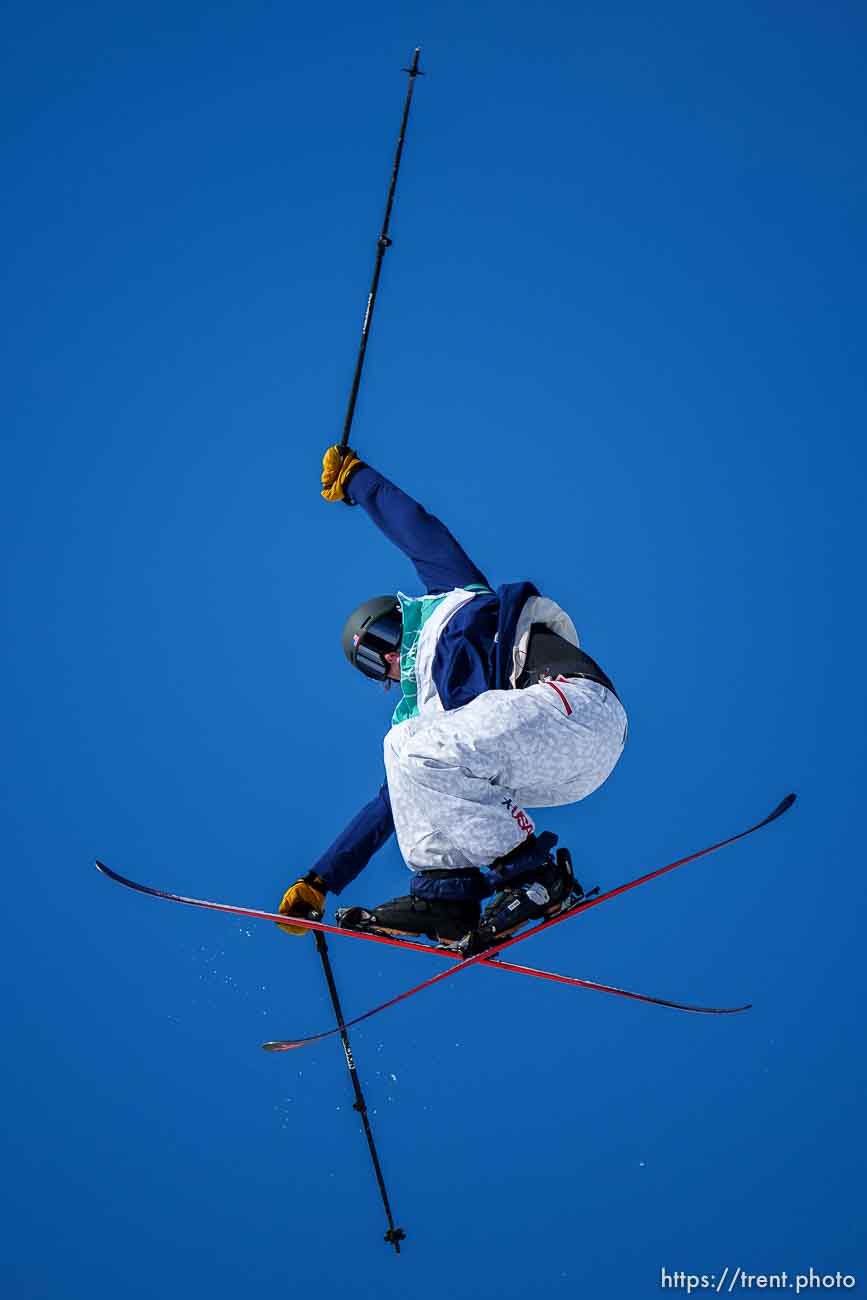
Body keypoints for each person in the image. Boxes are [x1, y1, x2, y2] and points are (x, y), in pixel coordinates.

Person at [276, 445, 628, 952]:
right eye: (374, 664)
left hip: (575, 708)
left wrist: (359, 482)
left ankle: (535, 877)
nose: (390, 661)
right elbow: (392, 805)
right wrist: (321, 879)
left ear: (397, 616)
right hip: (561, 772)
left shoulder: (451, 599)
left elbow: (418, 532)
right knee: (406, 763)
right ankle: (445, 898)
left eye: (382, 640)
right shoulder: (430, 714)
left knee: (408, 745)